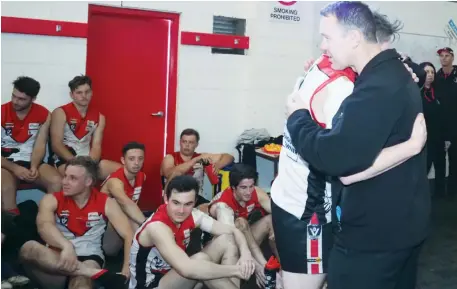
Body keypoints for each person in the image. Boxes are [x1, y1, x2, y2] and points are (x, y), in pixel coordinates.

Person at [272, 7, 427, 289]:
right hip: (308, 206)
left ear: (355, 38)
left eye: (327, 38)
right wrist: (410, 147)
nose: (322, 46)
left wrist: (297, 117)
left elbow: (338, 161)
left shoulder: (366, 87)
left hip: (354, 226)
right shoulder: (372, 76)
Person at [19, 156, 133, 289]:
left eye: (72, 178)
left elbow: (128, 234)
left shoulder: (106, 202)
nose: (65, 182)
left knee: (81, 283)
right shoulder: (51, 199)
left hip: (89, 258)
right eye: (65, 176)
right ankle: (91, 273)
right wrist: (66, 246)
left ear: (88, 181)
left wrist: (126, 269)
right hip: (56, 261)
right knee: (28, 247)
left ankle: (86, 271)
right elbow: (44, 226)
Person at [129, 175, 255, 289]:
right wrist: (236, 270)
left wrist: (245, 253)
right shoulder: (157, 227)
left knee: (227, 239)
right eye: (176, 203)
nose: (181, 210)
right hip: (150, 285)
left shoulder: (194, 215)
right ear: (166, 199)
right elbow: (187, 269)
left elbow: (233, 231)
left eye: (188, 204)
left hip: (174, 276)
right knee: (200, 260)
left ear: (194, 202)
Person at [208, 164, 276, 288]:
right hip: (227, 246)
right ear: (233, 187)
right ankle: (262, 267)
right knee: (240, 223)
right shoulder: (223, 205)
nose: (249, 192)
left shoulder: (256, 192)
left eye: (251, 186)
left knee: (272, 220)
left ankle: (282, 269)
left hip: (247, 238)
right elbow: (231, 239)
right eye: (244, 188)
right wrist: (255, 265)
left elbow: (278, 213)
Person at [2, 76, 62, 214]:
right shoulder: (1, 112)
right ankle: (12, 229)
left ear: (33, 99)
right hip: (6, 163)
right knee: (5, 188)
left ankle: (45, 223)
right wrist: (15, 168)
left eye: (21, 99)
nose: (15, 101)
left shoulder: (44, 114)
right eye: (14, 96)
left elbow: (40, 145)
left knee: (57, 182)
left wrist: (34, 166)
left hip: (32, 161)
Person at [50, 75, 121, 179]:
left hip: (87, 159)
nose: (84, 95)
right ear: (72, 95)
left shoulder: (100, 117)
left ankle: (104, 195)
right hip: (64, 159)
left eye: (87, 92)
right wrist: (78, 164)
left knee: (125, 172)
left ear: (92, 93)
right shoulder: (60, 112)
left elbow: (96, 146)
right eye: (79, 92)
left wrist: (90, 164)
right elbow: (56, 145)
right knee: (81, 177)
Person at [160, 128, 235, 207]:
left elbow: (229, 157)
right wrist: (194, 161)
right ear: (180, 142)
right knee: (176, 173)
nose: (187, 145)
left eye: (191, 142)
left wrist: (219, 164)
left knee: (216, 207)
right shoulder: (170, 158)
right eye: (184, 141)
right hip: (174, 197)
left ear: (196, 144)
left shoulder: (201, 156)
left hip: (195, 198)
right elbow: (169, 174)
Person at [100, 141, 147, 256]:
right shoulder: (115, 182)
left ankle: (144, 252)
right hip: (103, 228)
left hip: (124, 223)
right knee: (132, 217)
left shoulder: (142, 176)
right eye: (131, 159)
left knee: (135, 219)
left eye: (140, 159)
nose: (136, 163)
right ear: (123, 161)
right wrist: (147, 224)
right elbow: (126, 203)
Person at [419, 62, 446, 196]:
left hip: (439, 137)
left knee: (440, 167)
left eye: (432, 72)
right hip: (424, 139)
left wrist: (447, 138)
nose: (430, 75)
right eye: (426, 72)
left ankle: (441, 199)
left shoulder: (439, 91)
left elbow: (445, 115)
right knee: (424, 169)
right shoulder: (416, 92)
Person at [435, 47, 457, 196]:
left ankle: (453, 191)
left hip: (455, 125)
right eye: (441, 56)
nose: (444, 58)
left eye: (447, 56)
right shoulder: (436, 76)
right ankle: (439, 191)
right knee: (439, 161)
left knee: (455, 161)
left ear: (452, 58)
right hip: (440, 125)